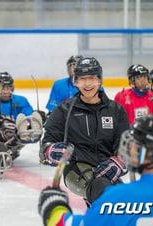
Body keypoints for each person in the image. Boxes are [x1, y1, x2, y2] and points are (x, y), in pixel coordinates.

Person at [38, 113, 153, 226]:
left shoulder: (117, 198)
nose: (129, 147)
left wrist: (54, 206)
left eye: (136, 145)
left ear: (151, 153)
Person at [40, 57, 129, 204]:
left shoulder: (116, 111)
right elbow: (45, 146)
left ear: (99, 80)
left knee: (123, 200)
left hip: (105, 169)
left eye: (92, 79)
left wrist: (119, 162)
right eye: (82, 79)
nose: (87, 84)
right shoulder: (64, 111)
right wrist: (50, 151)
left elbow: (127, 147)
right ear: (75, 82)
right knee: (104, 193)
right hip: (76, 169)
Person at [0, 72, 43, 160]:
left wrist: (38, 117)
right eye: (2, 88)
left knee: (28, 124)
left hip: (13, 135)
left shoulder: (21, 100)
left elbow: (29, 117)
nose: (6, 92)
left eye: (9, 88)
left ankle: (12, 149)